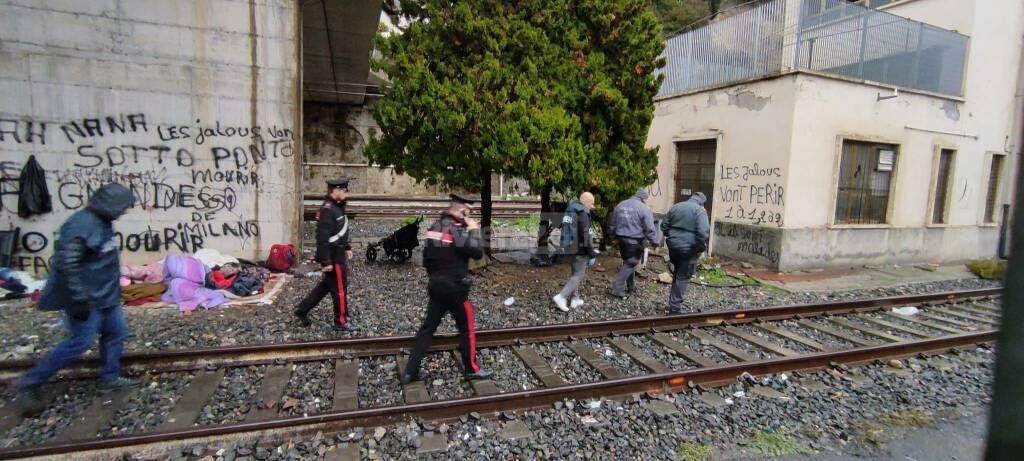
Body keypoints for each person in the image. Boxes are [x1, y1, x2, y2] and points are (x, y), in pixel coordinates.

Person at [18, 183, 140, 416]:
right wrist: (77, 299)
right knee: (79, 343)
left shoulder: (101, 222)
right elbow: (65, 264)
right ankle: (31, 381)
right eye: (122, 207)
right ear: (109, 204)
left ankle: (109, 378)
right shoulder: (80, 224)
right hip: (87, 299)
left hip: (106, 297)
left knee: (116, 334)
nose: (123, 212)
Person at [401, 194, 493, 383]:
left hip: (436, 286)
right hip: (456, 289)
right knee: (466, 328)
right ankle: (471, 368)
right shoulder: (457, 230)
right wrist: (474, 230)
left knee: (427, 329)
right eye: (469, 210)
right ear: (461, 209)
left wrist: (437, 277)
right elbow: (476, 253)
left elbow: (426, 259)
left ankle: (410, 371)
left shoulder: (435, 227)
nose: (471, 214)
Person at [294, 178, 356, 332]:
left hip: (338, 253)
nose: (346, 193)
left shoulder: (337, 207)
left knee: (325, 287)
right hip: (334, 257)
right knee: (340, 289)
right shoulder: (328, 209)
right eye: (344, 190)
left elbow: (340, 229)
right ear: (335, 191)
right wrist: (326, 261)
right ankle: (340, 321)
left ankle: (302, 310)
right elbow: (322, 238)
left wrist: (347, 246)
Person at [660, 192, 710, 314]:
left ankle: (673, 303)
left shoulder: (676, 206)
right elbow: (703, 233)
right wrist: (699, 248)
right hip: (689, 249)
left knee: (678, 274)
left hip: (673, 246)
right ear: (702, 202)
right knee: (683, 277)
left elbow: (664, 226)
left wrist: (672, 238)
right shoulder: (700, 211)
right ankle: (675, 309)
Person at [608, 189, 660, 298]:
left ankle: (631, 287)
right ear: (643, 198)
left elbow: (612, 223)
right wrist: (655, 242)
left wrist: (613, 236)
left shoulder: (620, 205)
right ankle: (617, 289)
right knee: (631, 262)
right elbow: (650, 228)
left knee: (628, 262)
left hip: (621, 239)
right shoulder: (644, 209)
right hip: (634, 240)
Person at [552, 192, 598, 311]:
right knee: (579, 274)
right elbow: (585, 236)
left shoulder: (571, 209)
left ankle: (575, 299)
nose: (593, 207)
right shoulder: (583, 213)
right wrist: (592, 253)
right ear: (587, 203)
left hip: (569, 246)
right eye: (592, 204)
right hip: (580, 249)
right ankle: (561, 296)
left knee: (575, 273)